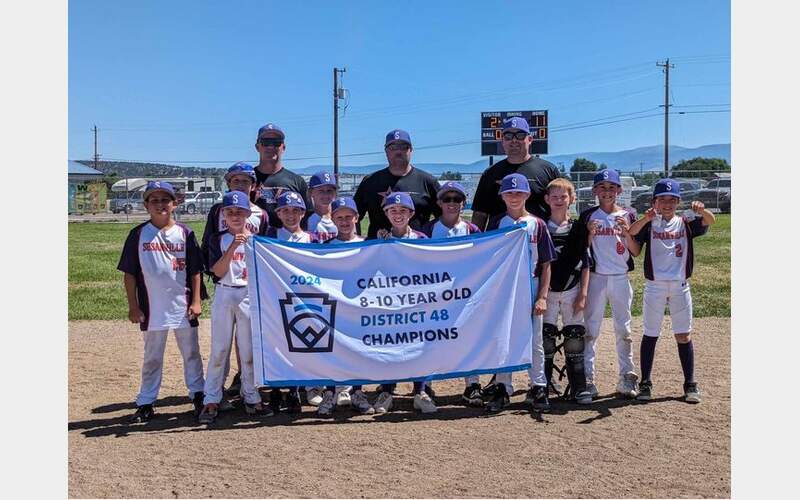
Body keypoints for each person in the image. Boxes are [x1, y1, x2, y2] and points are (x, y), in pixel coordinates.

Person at [117, 181, 206, 423]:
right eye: (154, 200)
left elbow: (195, 270)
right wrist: (133, 306)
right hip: (151, 306)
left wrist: (196, 301)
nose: (160, 204)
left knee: (191, 353)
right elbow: (129, 273)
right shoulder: (138, 234)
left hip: (182, 304)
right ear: (146, 205)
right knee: (152, 356)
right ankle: (146, 401)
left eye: (165, 200)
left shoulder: (185, 233)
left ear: (175, 204)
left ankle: (198, 394)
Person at [627, 179, 716, 404]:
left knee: (683, 334)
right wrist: (646, 218)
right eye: (662, 199)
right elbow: (631, 232)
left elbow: (710, 221)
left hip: (680, 286)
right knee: (651, 333)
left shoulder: (685, 222)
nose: (667, 204)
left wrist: (702, 210)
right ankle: (645, 382)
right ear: (654, 201)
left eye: (672, 200)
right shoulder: (650, 223)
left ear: (678, 202)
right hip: (655, 286)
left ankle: (690, 383)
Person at [198, 191, 273, 424]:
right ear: (223, 215)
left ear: (248, 214)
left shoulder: (257, 241)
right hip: (224, 292)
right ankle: (211, 397)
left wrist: (246, 241)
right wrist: (233, 246)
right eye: (230, 212)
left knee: (248, 351)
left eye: (240, 212)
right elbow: (218, 272)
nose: (235, 216)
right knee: (220, 349)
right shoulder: (217, 239)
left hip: (247, 294)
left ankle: (251, 395)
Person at [484, 174, 557, 414]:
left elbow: (546, 263)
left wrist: (542, 296)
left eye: (519, 193)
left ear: (527, 195)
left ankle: (538, 385)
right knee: (503, 338)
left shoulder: (537, 224)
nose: (514, 197)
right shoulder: (497, 222)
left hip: (530, 284)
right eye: (509, 193)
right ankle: (503, 386)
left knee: (534, 339)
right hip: (504, 287)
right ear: (502, 196)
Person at [576, 168, 640, 400]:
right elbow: (581, 249)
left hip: (620, 277)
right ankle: (588, 379)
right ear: (595, 190)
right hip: (596, 278)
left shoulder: (629, 214)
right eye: (602, 187)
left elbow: (636, 251)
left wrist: (627, 233)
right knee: (591, 330)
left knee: (624, 329)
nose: (607, 191)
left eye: (612, 187)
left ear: (619, 190)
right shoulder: (588, 215)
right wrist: (589, 235)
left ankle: (627, 375)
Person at [371, 192, 438, 414]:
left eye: (402, 211)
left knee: (419, 346)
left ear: (411, 213)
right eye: (392, 210)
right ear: (386, 213)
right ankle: (387, 391)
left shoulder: (421, 239)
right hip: (390, 302)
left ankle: (420, 391)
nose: (397, 214)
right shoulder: (381, 240)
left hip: (417, 302)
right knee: (390, 346)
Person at [421, 181, 484, 407]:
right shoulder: (428, 229)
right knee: (431, 338)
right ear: (439, 203)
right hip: (435, 293)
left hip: (463, 293)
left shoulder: (472, 229)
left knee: (468, 336)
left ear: (463, 203)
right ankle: (425, 385)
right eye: (446, 199)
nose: (451, 203)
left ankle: (472, 384)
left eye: (457, 199)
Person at [317, 197, 375, 416]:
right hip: (334, 307)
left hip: (360, 307)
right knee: (332, 350)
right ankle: (330, 392)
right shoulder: (325, 247)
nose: (344, 221)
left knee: (358, 351)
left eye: (348, 217)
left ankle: (357, 392)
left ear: (357, 218)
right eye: (339, 217)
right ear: (332, 219)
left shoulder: (368, 245)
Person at [265, 191, 319, 413]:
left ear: (303, 213)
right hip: (275, 296)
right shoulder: (270, 235)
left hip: (302, 299)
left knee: (298, 344)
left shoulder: (311, 238)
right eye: (285, 210)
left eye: (295, 210)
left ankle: (295, 389)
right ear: (278, 213)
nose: (290, 215)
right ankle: (276, 390)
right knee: (276, 344)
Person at [541, 178, 592, 404]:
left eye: (563, 196)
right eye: (554, 196)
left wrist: (583, 294)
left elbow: (586, 262)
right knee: (546, 339)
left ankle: (579, 386)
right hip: (548, 291)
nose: (559, 200)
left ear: (572, 199)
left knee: (574, 338)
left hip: (572, 289)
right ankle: (542, 386)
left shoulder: (579, 228)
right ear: (546, 199)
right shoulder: (540, 227)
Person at [471, 117, 561, 231]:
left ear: (530, 139)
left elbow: (561, 207)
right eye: (508, 136)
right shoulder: (491, 173)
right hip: (501, 238)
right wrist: (476, 239)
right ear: (502, 141)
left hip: (537, 236)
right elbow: (480, 213)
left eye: (520, 135)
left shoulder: (548, 170)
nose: (514, 140)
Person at [354, 129, 441, 239]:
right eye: (393, 147)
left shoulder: (428, 182)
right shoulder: (370, 182)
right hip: (378, 247)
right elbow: (353, 216)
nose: (398, 151)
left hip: (417, 247)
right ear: (386, 151)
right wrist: (356, 241)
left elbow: (444, 217)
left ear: (411, 150)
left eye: (404, 147)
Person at [252, 123, 312, 229]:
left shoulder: (297, 182)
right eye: (266, 142)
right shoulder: (247, 180)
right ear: (257, 147)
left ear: (283, 147)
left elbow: (308, 217)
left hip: (288, 239)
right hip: (254, 238)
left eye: (276, 142)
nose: (271, 147)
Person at [306, 171, 339, 243]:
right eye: (321, 191)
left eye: (329, 190)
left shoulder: (342, 217)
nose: (326, 195)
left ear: (335, 193)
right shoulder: (303, 218)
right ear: (311, 192)